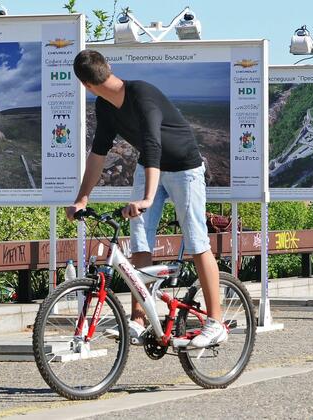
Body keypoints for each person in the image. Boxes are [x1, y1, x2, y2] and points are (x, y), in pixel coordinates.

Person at [66, 49, 225, 348]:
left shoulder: (142, 94)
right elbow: (98, 153)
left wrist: (148, 198)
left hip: (184, 168)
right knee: (139, 239)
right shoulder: (105, 106)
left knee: (195, 241)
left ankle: (215, 322)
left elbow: (153, 144)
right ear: (107, 68)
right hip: (149, 168)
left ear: (84, 84)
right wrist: (82, 199)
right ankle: (138, 321)